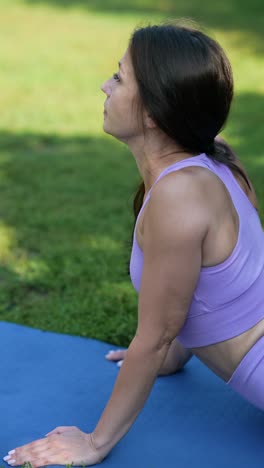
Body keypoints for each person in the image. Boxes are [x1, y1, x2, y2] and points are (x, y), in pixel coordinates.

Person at [4, 22, 264, 467]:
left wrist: (94, 442)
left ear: (154, 114)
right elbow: (211, 289)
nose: (105, 86)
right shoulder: (211, 156)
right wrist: (177, 357)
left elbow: (157, 334)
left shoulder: (178, 197)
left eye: (120, 78)